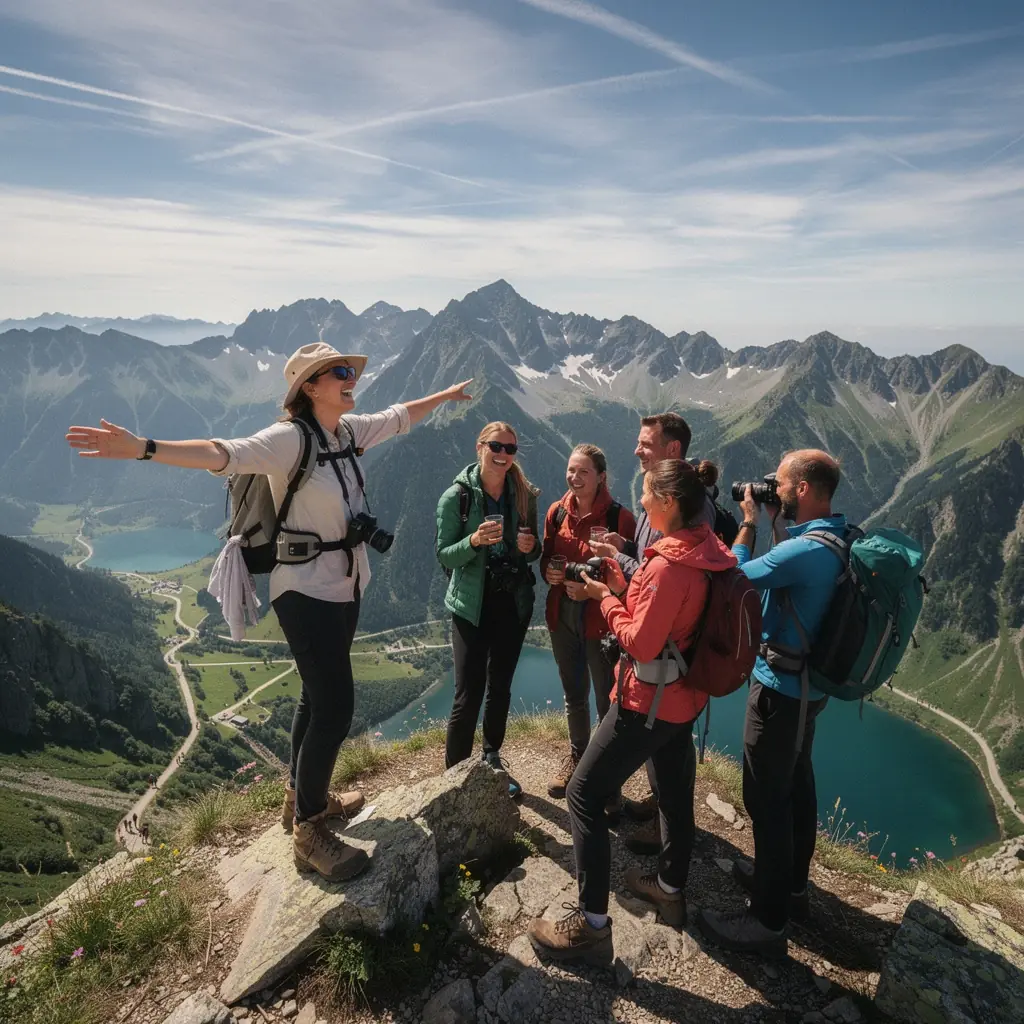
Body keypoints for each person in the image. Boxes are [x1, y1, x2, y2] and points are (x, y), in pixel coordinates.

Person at [67, 341, 472, 884]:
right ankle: (309, 833)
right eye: (339, 373)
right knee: (335, 707)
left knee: (314, 695)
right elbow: (222, 453)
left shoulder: (347, 432)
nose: (352, 379)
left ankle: (300, 799)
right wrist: (144, 447)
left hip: (345, 584)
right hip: (304, 590)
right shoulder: (288, 439)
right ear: (309, 386)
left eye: (351, 370)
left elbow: (400, 417)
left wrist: (446, 395)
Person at [526, 460, 737, 965]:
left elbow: (641, 642)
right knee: (673, 794)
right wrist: (625, 585)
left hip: (647, 703)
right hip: (685, 699)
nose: (640, 500)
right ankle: (668, 887)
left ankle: (592, 926)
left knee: (583, 794)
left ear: (667, 502)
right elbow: (668, 618)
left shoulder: (669, 565)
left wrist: (605, 598)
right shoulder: (707, 550)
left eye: (647, 493)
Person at [699, 449, 844, 958]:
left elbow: (734, 577)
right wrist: (780, 523)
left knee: (766, 801)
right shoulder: (837, 536)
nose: (771, 488)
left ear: (802, 489)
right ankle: (792, 887)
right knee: (797, 783)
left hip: (779, 691)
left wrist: (747, 524)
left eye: (779, 483)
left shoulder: (802, 552)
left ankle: (766, 921)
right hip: (812, 691)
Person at [589, 413, 717, 851]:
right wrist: (623, 553)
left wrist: (606, 595)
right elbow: (652, 568)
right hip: (672, 665)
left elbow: (665, 580)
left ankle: (664, 836)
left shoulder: (693, 512)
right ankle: (669, 855)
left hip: (663, 667)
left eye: (646, 444)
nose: (637, 451)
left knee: (586, 789)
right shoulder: (677, 511)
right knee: (668, 757)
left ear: (673, 452)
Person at [436, 421, 541, 800]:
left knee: (500, 688)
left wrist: (531, 547)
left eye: (511, 449)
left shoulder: (524, 493)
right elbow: (444, 553)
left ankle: (492, 758)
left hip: (512, 603)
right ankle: (455, 779)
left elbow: (537, 549)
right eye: (497, 446)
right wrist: (475, 540)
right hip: (471, 606)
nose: (504, 454)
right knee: (469, 693)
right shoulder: (457, 497)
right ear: (480, 446)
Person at [540, 444, 636, 804]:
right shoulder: (555, 512)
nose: (574, 477)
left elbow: (630, 582)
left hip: (603, 621)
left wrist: (591, 592)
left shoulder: (619, 519)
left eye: (583, 472)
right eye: (570, 470)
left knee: (606, 701)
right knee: (573, 695)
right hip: (561, 615)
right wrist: (548, 572)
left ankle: (605, 777)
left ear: (601, 478)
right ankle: (578, 760)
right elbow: (547, 558)